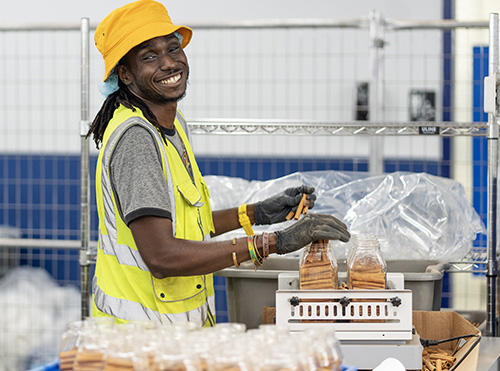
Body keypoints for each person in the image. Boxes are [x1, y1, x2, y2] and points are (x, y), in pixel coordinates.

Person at [87, 0, 350, 326]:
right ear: (124, 73)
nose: (170, 63)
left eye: (173, 48)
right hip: (139, 341)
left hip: (177, 334)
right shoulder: (137, 140)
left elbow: (188, 224)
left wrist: (257, 213)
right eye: (149, 56)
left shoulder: (171, 125)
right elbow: (162, 256)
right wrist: (273, 242)